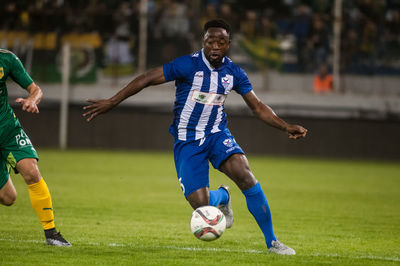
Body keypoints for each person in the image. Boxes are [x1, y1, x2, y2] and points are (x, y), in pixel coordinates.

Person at [83, 19, 307, 255]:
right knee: (200, 203)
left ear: (228, 44)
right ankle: (222, 196)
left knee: (246, 176)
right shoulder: (187, 65)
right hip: (188, 141)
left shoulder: (234, 73)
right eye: (210, 40)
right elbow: (147, 78)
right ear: (204, 41)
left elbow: (258, 106)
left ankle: (272, 242)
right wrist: (112, 101)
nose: (215, 46)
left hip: (217, 134)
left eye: (221, 41)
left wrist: (284, 126)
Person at [0, 49, 71, 247]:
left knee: (32, 172)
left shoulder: (7, 59)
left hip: (8, 130)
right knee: (8, 197)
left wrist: (32, 99)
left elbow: (35, 89)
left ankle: (51, 234)